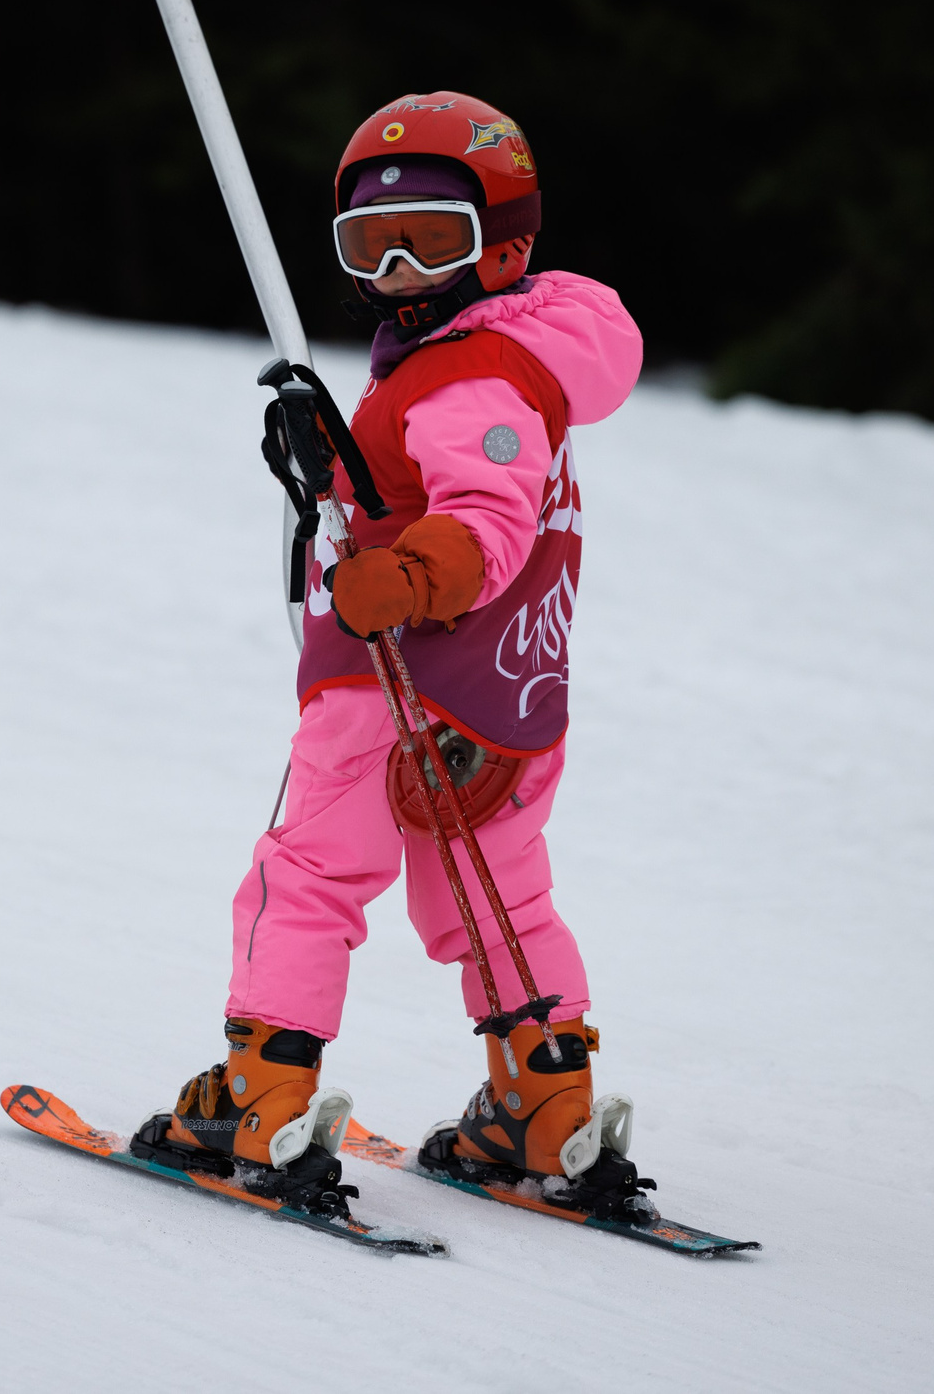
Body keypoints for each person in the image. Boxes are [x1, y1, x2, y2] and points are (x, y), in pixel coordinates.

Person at [138, 90, 647, 1209]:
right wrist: (333, 458)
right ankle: (543, 1105)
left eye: (431, 238)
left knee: (310, 875)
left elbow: (482, 518)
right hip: (504, 696)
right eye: (371, 243)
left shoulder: (472, 372)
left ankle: (259, 1096)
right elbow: (422, 484)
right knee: (495, 898)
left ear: (503, 243)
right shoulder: (513, 356)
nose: (400, 269)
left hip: (395, 681)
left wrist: (408, 578)